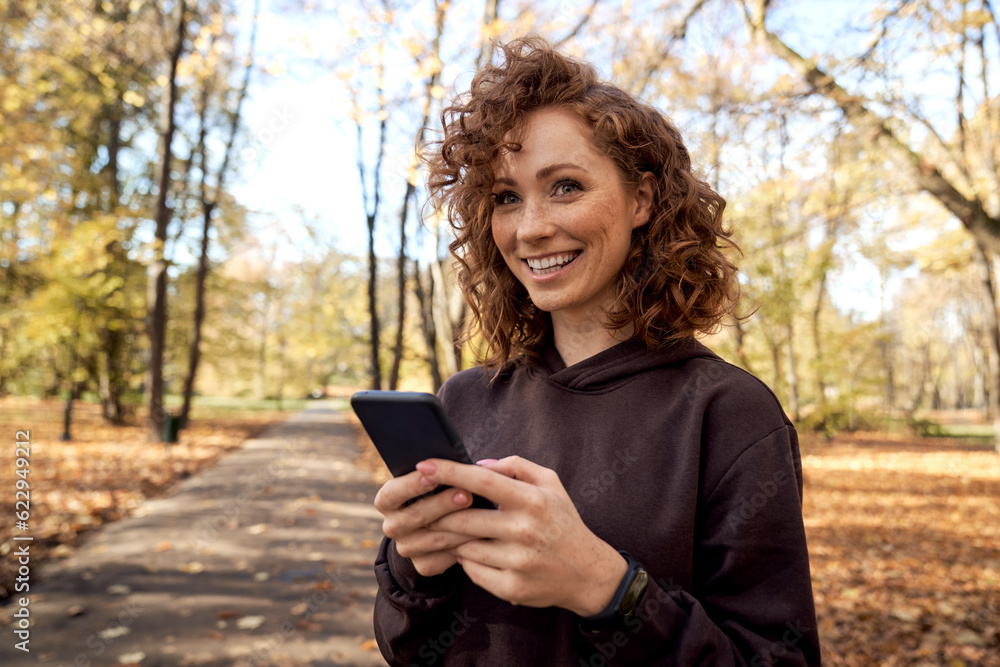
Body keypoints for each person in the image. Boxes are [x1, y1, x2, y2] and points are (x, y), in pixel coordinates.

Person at [372, 35, 821, 666]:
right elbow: (405, 646)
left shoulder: (728, 414)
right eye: (506, 197)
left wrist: (610, 591)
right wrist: (412, 568)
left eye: (564, 187)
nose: (530, 227)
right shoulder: (465, 398)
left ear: (641, 200)